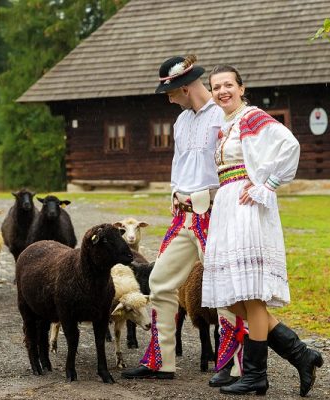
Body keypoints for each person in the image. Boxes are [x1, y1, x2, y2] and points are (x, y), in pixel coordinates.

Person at [202, 65, 324, 396]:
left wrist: (266, 184)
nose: (222, 90)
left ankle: (257, 374)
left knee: (251, 297)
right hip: (227, 206)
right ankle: (301, 354)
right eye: (216, 87)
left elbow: (289, 144)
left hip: (246, 207)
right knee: (236, 298)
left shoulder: (251, 117)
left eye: (228, 84)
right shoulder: (224, 124)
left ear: (242, 88)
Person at [122, 55, 243, 382]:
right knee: (160, 280)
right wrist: (174, 196)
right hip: (183, 214)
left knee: (222, 287)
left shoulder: (223, 116)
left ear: (186, 88)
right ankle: (160, 361)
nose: (169, 98)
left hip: (213, 209)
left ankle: (232, 365)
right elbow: (180, 166)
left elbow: (234, 163)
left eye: (171, 92)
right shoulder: (181, 121)